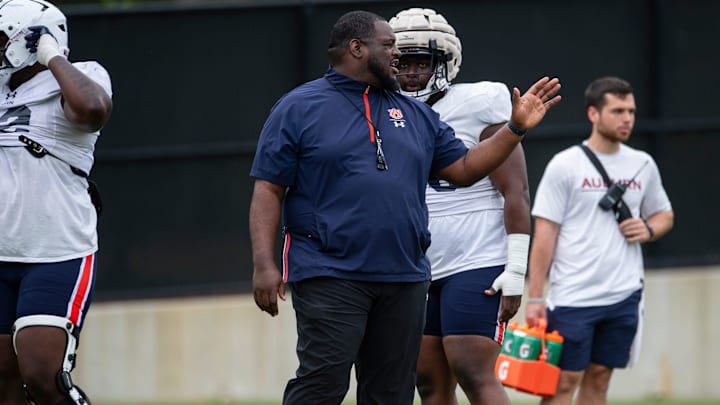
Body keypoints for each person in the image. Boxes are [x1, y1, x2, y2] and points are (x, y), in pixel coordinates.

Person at [249, 9, 560, 405]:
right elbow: (268, 189)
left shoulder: (415, 112)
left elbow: (464, 169)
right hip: (331, 271)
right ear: (357, 48)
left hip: (405, 276)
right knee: (323, 382)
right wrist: (264, 263)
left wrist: (514, 129)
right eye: (389, 45)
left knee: (392, 392)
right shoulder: (299, 106)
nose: (398, 54)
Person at [389, 8, 529, 405]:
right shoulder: (384, 110)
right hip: (417, 262)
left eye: (422, 61)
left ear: (445, 62)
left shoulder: (478, 102)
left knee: (471, 366)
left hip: (476, 255)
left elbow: (515, 192)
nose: (412, 71)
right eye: (404, 61)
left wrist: (516, 270)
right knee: (428, 381)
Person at [525, 76, 673, 405]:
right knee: (563, 382)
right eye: (618, 111)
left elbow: (664, 214)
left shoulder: (643, 163)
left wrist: (648, 229)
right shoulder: (565, 164)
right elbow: (545, 235)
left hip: (623, 294)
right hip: (573, 294)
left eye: (631, 111)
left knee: (601, 380)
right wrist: (535, 298)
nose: (627, 119)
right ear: (593, 114)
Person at [0, 0, 113, 404]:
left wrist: (51, 55)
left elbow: (92, 111)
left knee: (43, 376)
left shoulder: (84, 76)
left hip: (56, 251)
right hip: (2, 251)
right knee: (5, 384)